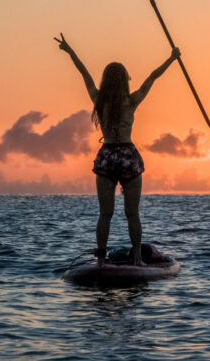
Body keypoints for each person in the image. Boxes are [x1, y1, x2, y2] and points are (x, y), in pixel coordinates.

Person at [54, 33, 180, 265]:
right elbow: (152, 77)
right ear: (124, 81)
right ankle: (138, 262)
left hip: (107, 157)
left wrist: (70, 51)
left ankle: (101, 261)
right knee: (132, 213)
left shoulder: (98, 100)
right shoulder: (131, 101)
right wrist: (172, 59)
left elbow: (84, 74)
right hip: (128, 157)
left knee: (105, 214)